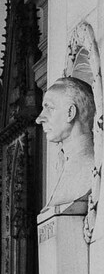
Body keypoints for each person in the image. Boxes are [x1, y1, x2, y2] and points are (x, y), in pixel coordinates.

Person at [36, 76, 96, 209]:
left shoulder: (92, 169)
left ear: (70, 112)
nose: (39, 119)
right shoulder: (62, 167)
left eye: (49, 108)